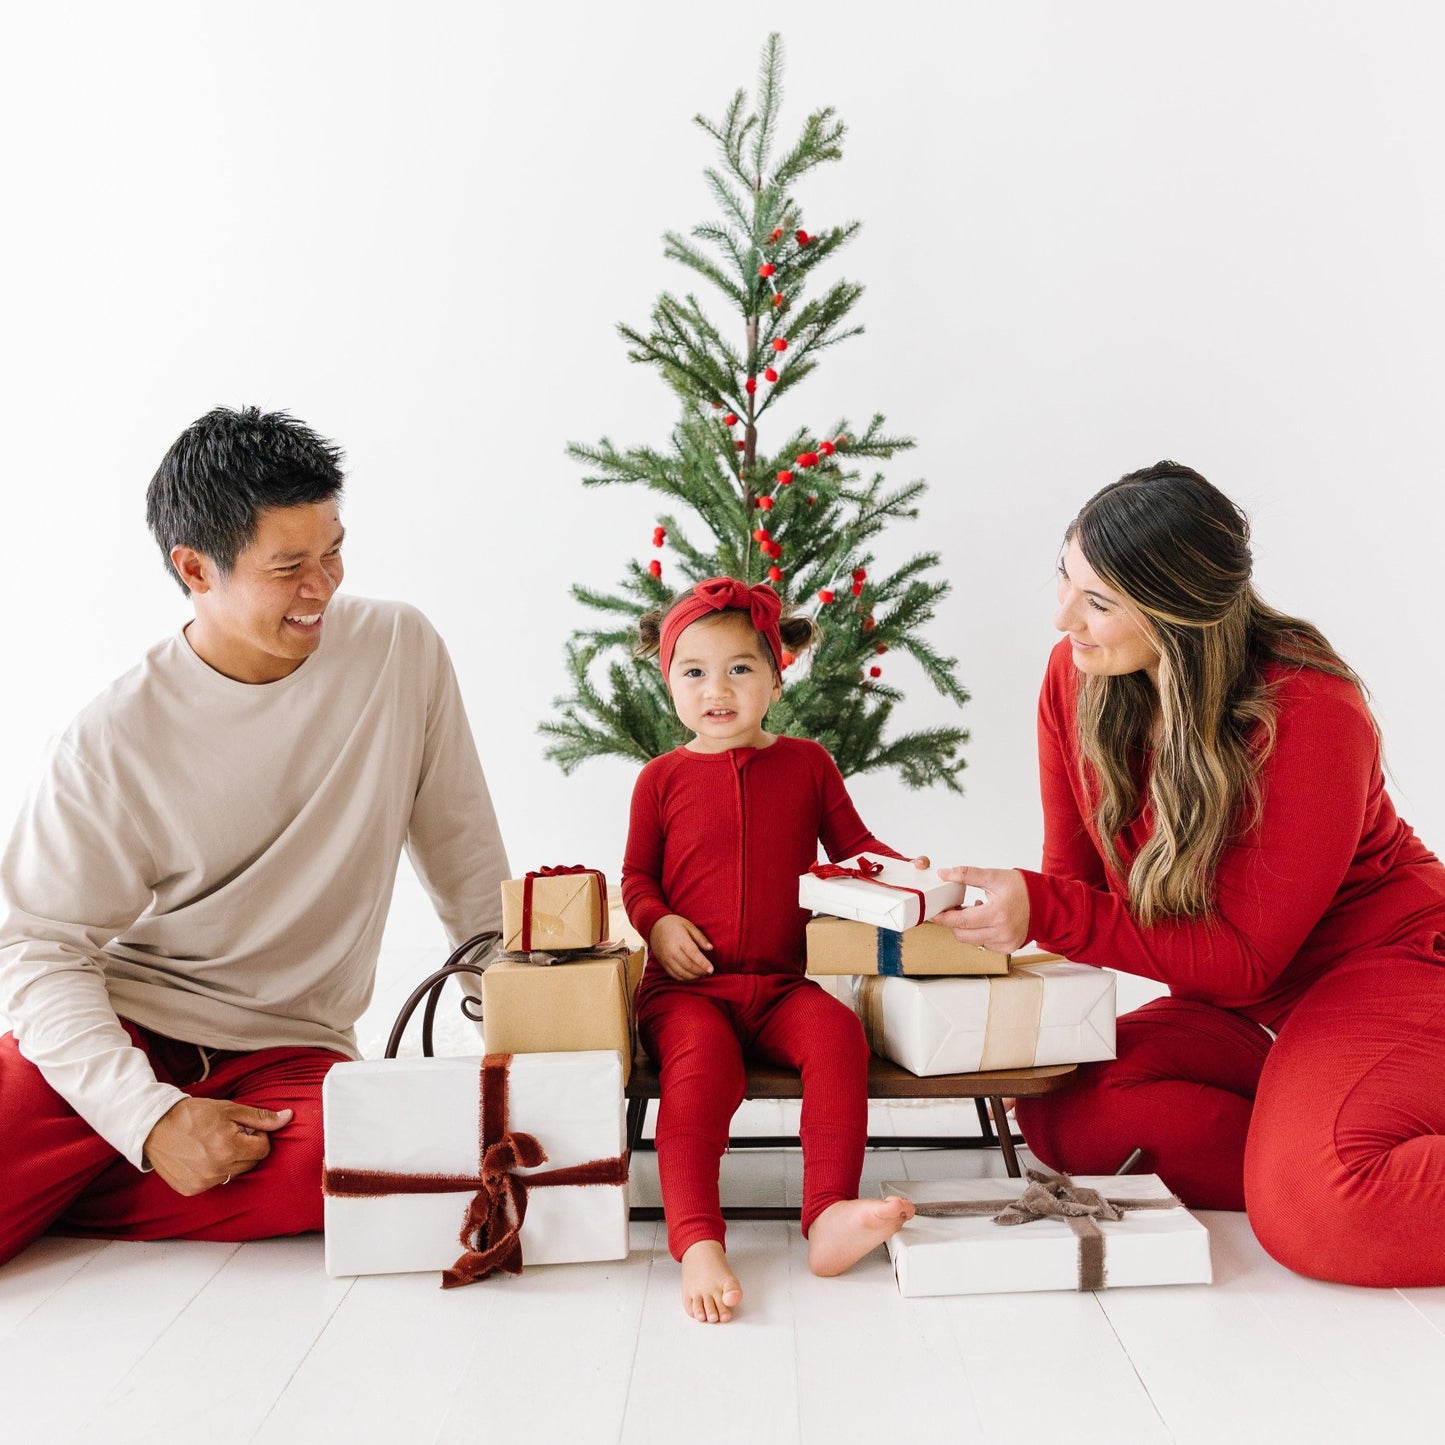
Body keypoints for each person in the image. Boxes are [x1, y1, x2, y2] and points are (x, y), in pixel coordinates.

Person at [0, 405, 509, 1266]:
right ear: (194, 567)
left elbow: (463, 852)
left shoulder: (399, 649)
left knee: (393, 1164)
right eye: (289, 567)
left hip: (288, 1053)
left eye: (334, 550)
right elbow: (37, 947)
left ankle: (75, 1180)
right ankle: (123, 1147)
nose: (325, 585)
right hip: (126, 1028)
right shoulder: (114, 740)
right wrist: (147, 1115)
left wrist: (519, 1007)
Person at [932, 461, 1445, 1288]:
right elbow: (1077, 890)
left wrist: (1045, 909)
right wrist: (960, 939)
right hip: (1252, 1010)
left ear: (1179, 616)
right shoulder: (1077, 677)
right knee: (1061, 1108)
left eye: (1098, 602)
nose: (1065, 616)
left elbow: (1243, 956)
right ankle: (1317, 1137)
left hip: (1385, 970)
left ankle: (1317, 1168)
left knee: (1324, 1213)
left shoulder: (1310, 710)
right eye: (1065, 579)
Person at [622, 577, 920, 1323]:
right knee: (701, 1071)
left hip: (780, 984)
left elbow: (854, 849)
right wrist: (657, 922)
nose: (715, 689)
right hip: (687, 990)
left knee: (837, 1036)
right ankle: (696, 1239)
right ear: (669, 685)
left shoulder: (807, 765)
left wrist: (906, 873)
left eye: (739, 668)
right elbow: (635, 877)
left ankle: (826, 1215)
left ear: (776, 676)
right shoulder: (658, 780)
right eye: (692, 672)